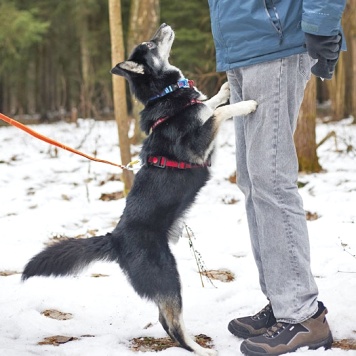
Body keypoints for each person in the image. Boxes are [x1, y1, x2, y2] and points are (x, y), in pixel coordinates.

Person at [207, 1, 346, 355]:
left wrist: (321, 24)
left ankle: (303, 314)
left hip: (275, 40)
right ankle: (283, 302)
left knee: (271, 179)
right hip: (243, 46)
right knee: (253, 182)